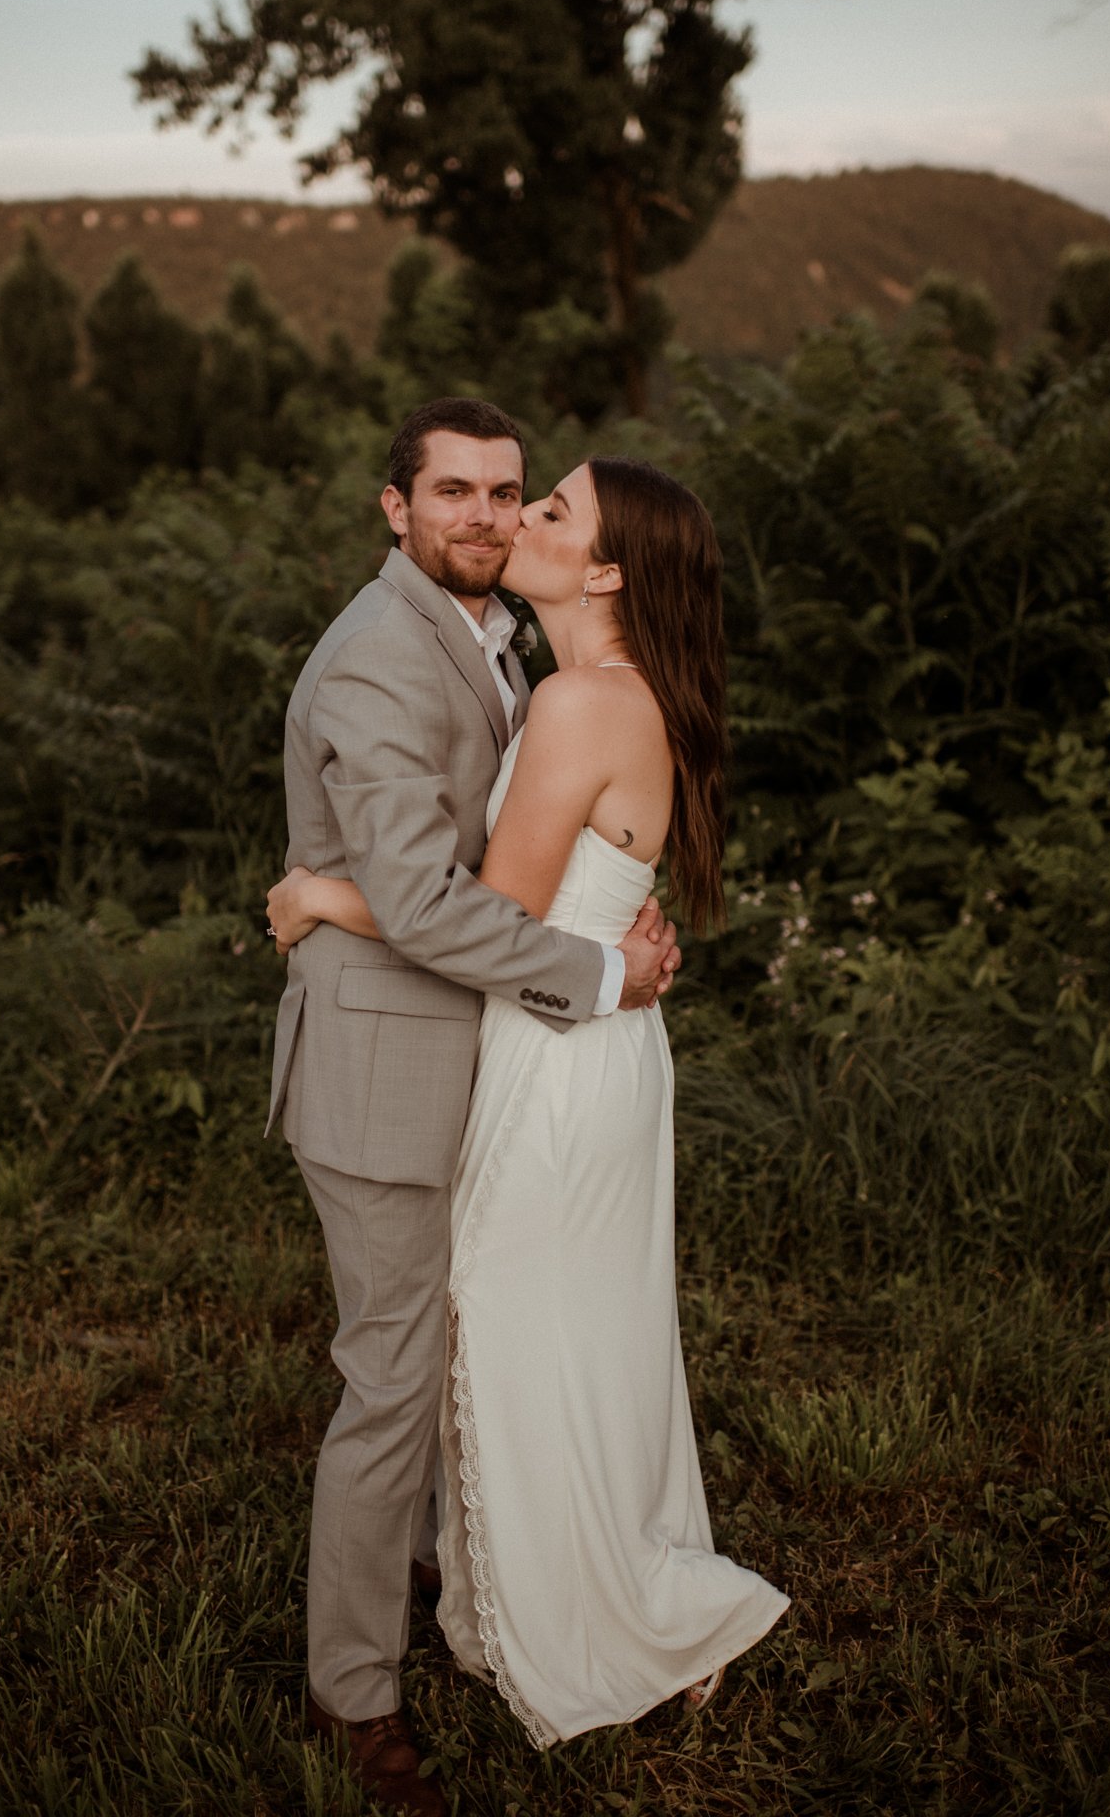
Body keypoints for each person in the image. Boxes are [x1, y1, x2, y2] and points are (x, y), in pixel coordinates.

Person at [270, 452, 789, 1755]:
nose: (515, 523)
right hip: (583, 1048)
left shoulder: (573, 704)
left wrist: (323, 896)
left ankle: (588, 1604)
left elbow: (483, 917)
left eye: (547, 508)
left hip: (559, 1064)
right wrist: (612, 952)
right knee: (567, 1336)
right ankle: (544, 1575)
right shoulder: (589, 686)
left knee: (518, 1334)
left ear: (605, 567)